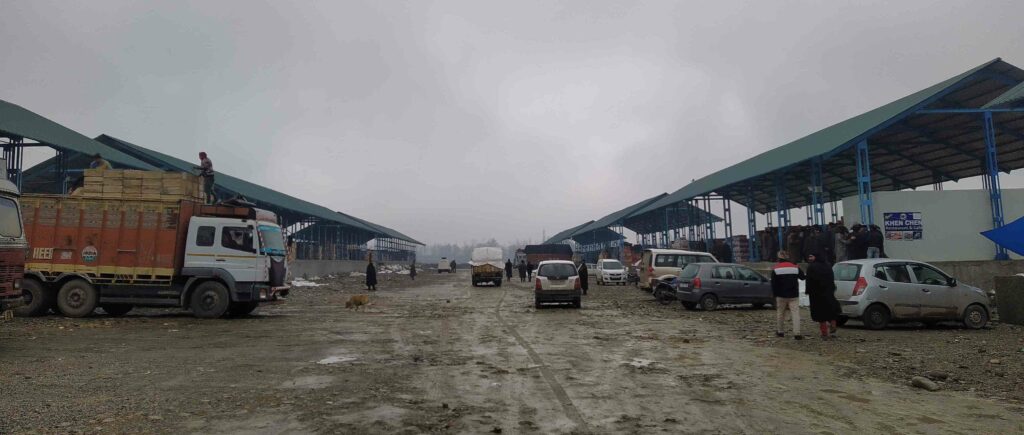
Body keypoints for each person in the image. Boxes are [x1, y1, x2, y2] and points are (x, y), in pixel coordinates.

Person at [805, 252, 841, 340]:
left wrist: (808, 291)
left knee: (820, 314)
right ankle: (833, 327)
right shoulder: (828, 266)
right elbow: (832, 279)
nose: (810, 258)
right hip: (828, 292)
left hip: (816, 294)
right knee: (831, 311)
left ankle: (824, 333)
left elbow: (809, 281)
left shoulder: (811, 267)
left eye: (811, 256)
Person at [771, 251, 805, 340]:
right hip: (793, 295)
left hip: (781, 295)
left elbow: (773, 284)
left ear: (778, 259)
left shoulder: (776, 268)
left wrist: (774, 296)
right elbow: (803, 277)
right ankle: (797, 333)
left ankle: (780, 331)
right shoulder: (795, 267)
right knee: (795, 313)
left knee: (780, 313)